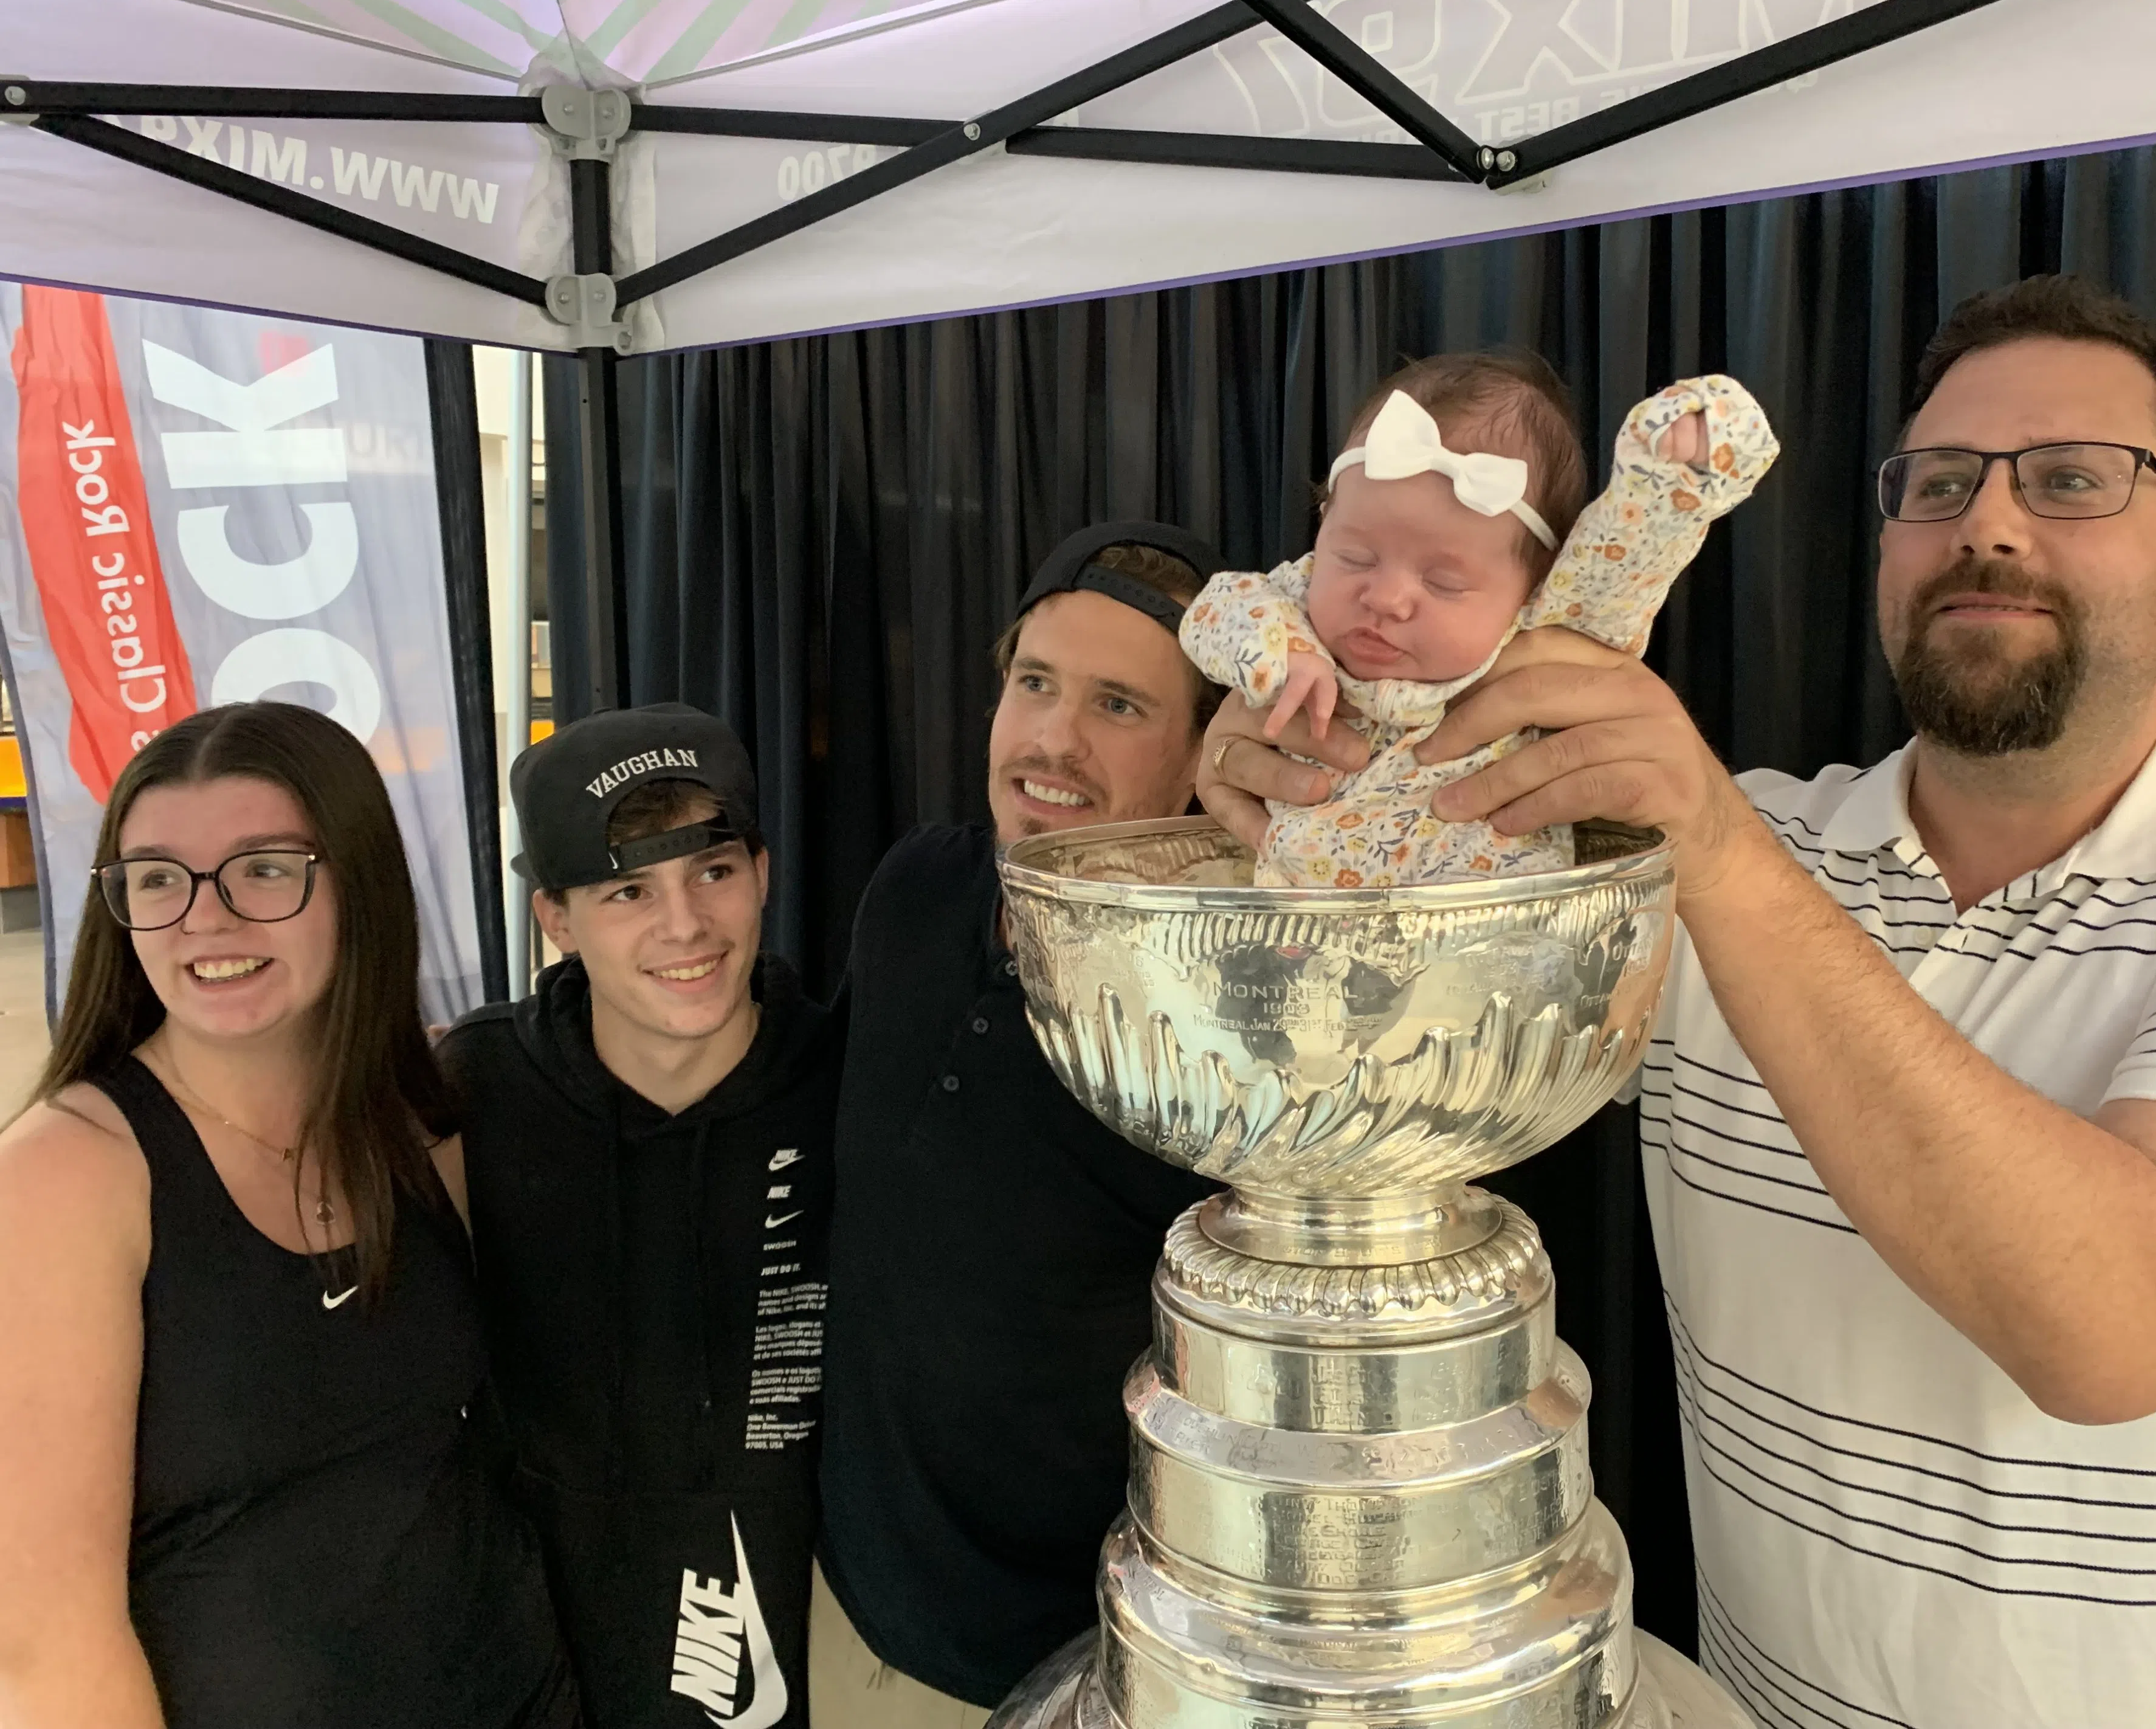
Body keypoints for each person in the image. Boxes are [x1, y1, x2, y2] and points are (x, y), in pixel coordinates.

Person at [1200, 275, 2156, 1727]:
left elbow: (2116, 1323)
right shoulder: (1686, 853)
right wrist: (1312, 790)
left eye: (2073, 479)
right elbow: (1388, 1066)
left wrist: (1715, 847)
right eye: (1936, 481)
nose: (1988, 519)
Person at [0, 700, 577, 1729]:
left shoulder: (418, 1125)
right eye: (158, 880)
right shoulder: (66, 1181)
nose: (205, 920)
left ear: (357, 885)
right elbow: (47, 1648)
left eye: (266, 868)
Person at [813, 523, 1232, 1726]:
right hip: (850, 1623)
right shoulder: (914, 890)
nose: (1052, 740)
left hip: (1081, 1675)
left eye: (1118, 705)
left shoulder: (1236, 999)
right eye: (1034, 683)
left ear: (1207, 752)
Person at [441, 702, 837, 1729]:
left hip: (805, 1635)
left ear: (762, 872)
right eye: (628, 891)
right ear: (557, 921)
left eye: (713, 872)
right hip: (548, 1647)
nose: (684, 927)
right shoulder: (469, 1093)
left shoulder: (854, 1078)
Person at [1183, 354, 1775, 886]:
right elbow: (1216, 606)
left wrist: (1679, 468)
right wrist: (1280, 656)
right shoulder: (1295, 605)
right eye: (1354, 557)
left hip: (1488, 942)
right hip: (1301, 914)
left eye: (1443, 582)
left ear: (1536, 584)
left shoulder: (1546, 631)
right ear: (1324, 520)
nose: (1387, 598)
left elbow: (1634, 548)